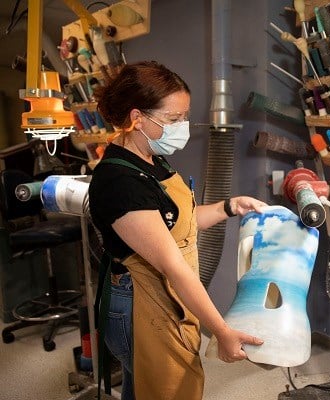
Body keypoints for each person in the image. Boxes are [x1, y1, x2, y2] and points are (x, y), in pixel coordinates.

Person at [88, 61, 266, 400]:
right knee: (166, 390)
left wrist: (229, 206)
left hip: (167, 296)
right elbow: (173, 264)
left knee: (141, 387)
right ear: (137, 118)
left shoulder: (153, 160)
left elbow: (178, 225)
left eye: (184, 117)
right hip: (141, 306)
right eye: (173, 120)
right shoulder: (120, 182)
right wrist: (222, 331)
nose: (182, 127)